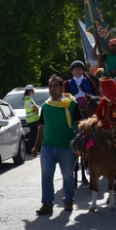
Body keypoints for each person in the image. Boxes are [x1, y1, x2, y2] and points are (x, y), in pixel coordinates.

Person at [31, 74, 82, 215]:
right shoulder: (46, 106)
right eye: (50, 86)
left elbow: (78, 125)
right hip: (47, 147)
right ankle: (47, 204)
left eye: (55, 86)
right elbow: (41, 127)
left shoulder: (72, 104)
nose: (52, 89)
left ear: (61, 87)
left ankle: (68, 201)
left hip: (66, 147)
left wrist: (78, 144)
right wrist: (36, 146)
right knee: (46, 176)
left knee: (67, 175)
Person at [23, 84, 41, 155]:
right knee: (34, 136)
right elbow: (35, 108)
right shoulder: (28, 100)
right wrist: (36, 109)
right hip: (33, 120)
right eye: (32, 90)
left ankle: (32, 149)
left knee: (34, 135)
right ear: (30, 91)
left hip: (33, 120)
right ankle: (30, 150)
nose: (33, 92)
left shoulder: (29, 99)